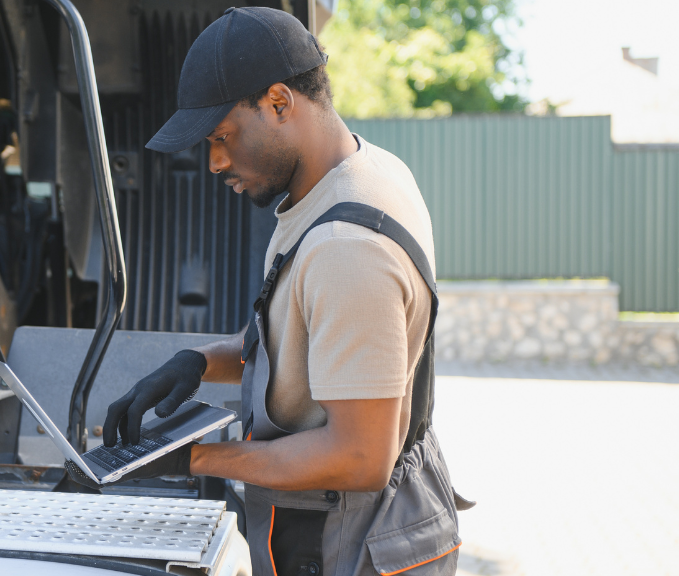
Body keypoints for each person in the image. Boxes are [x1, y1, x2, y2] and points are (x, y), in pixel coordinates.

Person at [66, 7, 470, 575]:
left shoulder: (345, 245)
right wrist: (199, 362)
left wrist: (195, 458)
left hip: (350, 546)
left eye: (223, 136)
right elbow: (308, 343)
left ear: (280, 103)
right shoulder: (355, 175)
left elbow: (359, 456)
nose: (214, 162)